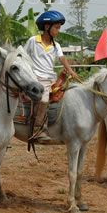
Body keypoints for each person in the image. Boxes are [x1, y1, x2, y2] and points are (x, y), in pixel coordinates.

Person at [24, 10, 78, 144]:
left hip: (50, 79)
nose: (58, 31)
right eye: (56, 28)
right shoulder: (33, 41)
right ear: (47, 27)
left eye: (59, 28)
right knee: (43, 100)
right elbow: (23, 56)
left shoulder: (56, 45)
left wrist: (70, 71)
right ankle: (38, 130)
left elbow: (62, 58)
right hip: (35, 79)